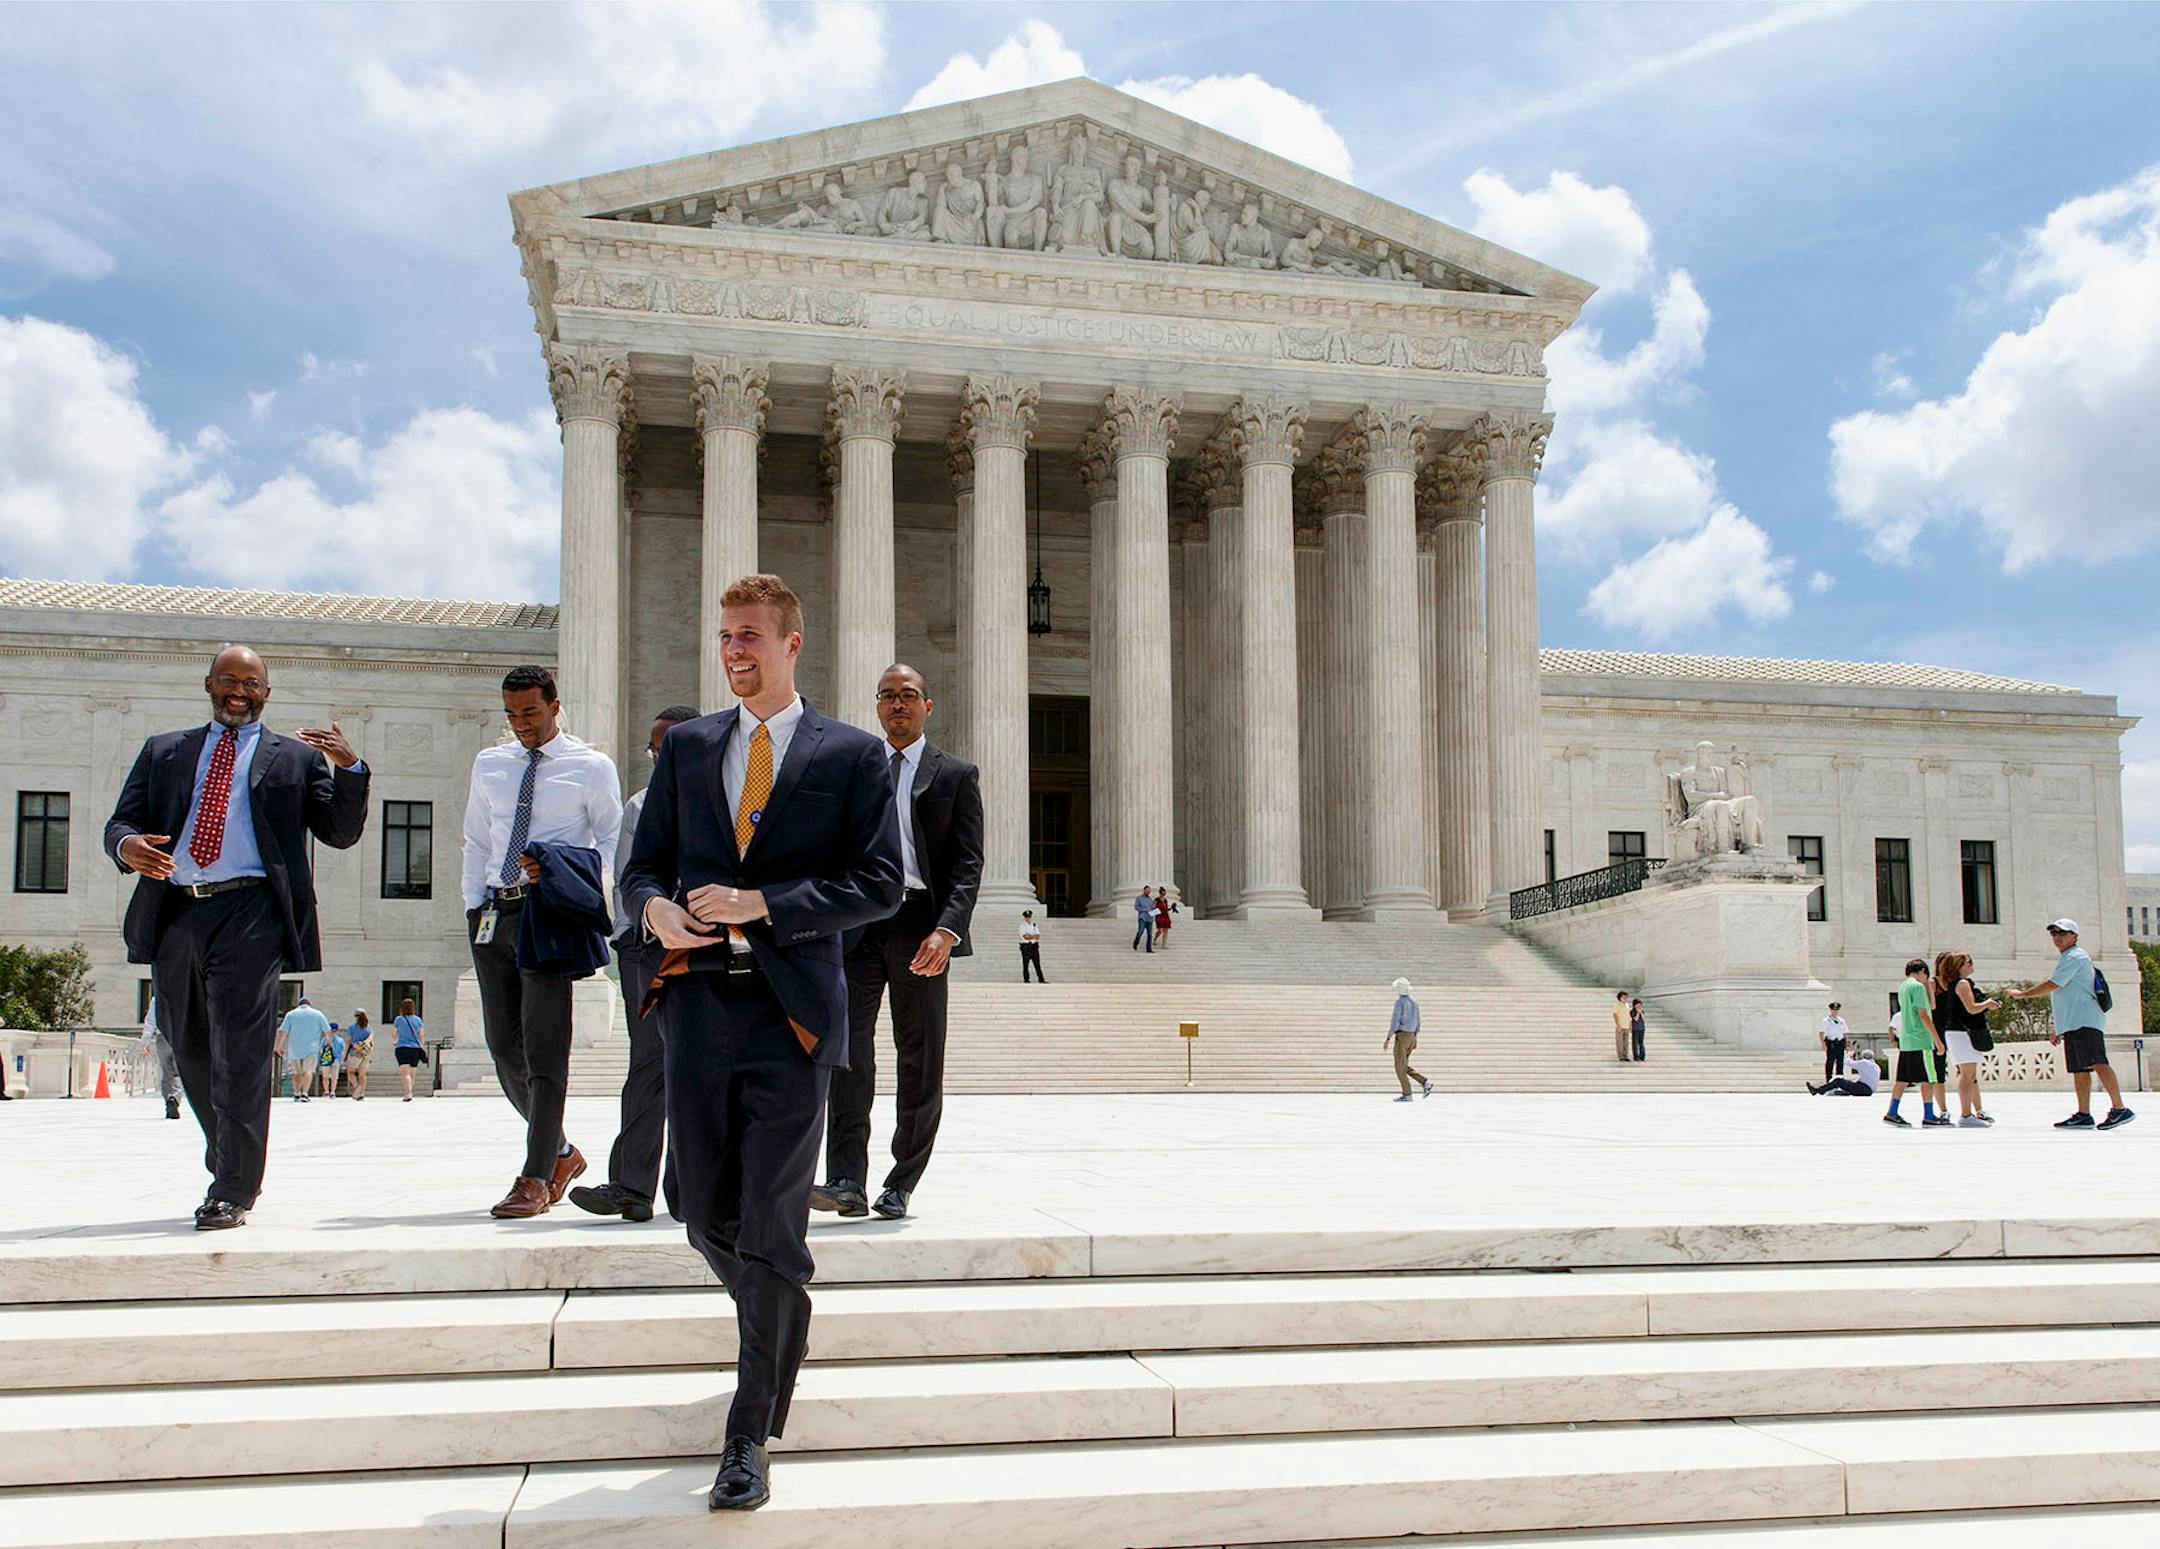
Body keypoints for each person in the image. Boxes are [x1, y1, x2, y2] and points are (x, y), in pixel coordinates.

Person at [618, 572, 903, 1513]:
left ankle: (746, 1437)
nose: (734, 651)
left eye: (750, 636)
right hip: (696, 1007)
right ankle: (782, 1308)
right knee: (698, 1205)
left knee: (773, 1219)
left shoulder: (853, 756)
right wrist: (654, 907)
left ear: (792, 641)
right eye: (725, 638)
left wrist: (764, 904)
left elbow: (879, 884)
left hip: (792, 1013)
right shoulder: (692, 746)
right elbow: (643, 864)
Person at [104, 644, 370, 1230]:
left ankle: (233, 1186)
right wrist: (127, 847)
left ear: (266, 693)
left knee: (243, 1049)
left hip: (253, 911)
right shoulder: (165, 751)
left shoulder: (295, 759)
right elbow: (121, 821)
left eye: (250, 683)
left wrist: (350, 771)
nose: (238, 691)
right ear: (209, 684)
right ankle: (229, 1151)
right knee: (187, 1040)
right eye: (228, 680)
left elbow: (339, 832)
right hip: (177, 909)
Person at [815, 664, 983, 1224]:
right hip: (859, 924)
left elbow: (966, 864)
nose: (897, 705)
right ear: (877, 706)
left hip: (921, 928)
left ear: (927, 705)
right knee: (847, 1054)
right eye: (887, 696)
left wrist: (948, 927)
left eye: (908, 695)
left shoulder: (955, 775)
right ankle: (845, 1179)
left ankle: (901, 1181)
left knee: (920, 1057)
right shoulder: (856, 770)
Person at [460, 663, 623, 1219]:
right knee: (504, 1047)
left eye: (530, 712)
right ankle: (559, 1152)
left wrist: (562, 875)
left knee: (545, 1049)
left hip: (549, 914)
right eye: (512, 715)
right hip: (493, 913)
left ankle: (533, 1177)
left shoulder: (591, 767)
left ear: (555, 706)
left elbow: (611, 843)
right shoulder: (491, 764)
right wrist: (471, 904)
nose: (522, 724)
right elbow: (477, 838)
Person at [572, 704, 701, 1225]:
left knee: (699, 1070)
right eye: (654, 748)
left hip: (705, 950)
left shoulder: (729, 802)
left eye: (670, 745)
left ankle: (690, 1190)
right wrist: (633, 938)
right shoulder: (640, 805)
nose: (660, 756)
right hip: (647, 949)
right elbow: (627, 878)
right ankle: (631, 1187)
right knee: (648, 1064)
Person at [2006, 919, 2135, 1131]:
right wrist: (2060, 1028)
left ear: (2074, 936)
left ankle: (2120, 1108)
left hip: (2085, 1021)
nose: (2057, 937)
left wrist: (2023, 994)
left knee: (2098, 1062)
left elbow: (2053, 984)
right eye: (2054, 934)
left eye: (2062, 933)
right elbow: (2067, 996)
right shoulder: (2068, 957)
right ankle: (2084, 1114)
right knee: (2079, 1069)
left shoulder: (2075, 956)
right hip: (2074, 1023)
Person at [1933, 951, 1999, 1128]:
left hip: (1958, 1033)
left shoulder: (1958, 983)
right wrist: (1987, 1004)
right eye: (1968, 962)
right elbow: (1971, 1008)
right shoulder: (1962, 984)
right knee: (1967, 1074)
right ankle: (1966, 1114)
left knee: (1969, 1074)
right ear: (1959, 966)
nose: (1971, 965)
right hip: (1960, 1033)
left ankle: (1969, 1113)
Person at [1883, 959, 1949, 1128]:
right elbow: (1924, 1014)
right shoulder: (1918, 987)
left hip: (1906, 1041)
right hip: (1921, 1040)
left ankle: (1892, 1112)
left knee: (1902, 1079)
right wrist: (1938, 1041)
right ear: (1922, 971)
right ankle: (1928, 1115)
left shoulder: (1903, 986)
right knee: (1928, 1079)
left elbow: (1931, 1006)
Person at [276, 996, 331, 1102]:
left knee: (296, 1073)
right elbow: (327, 1030)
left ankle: (296, 1093)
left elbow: (283, 1032)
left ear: (299, 1005)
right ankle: (305, 1093)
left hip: (295, 1049)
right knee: (308, 1071)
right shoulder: (318, 1014)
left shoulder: (291, 1014)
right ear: (309, 1004)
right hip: (311, 1048)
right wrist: (328, 1041)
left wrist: (279, 1046)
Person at [1384, 977, 1430, 1101]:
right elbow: (1418, 1020)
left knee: (1399, 1067)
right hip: (1411, 1036)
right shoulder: (1414, 1002)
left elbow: (1395, 1020)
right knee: (1403, 1065)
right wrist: (1415, 1037)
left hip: (1402, 1036)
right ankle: (1424, 1082)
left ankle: (1407, 1094)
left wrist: (1389, 1036)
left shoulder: (1400, 1002)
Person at [141, 995, 183, 1120]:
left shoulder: (157, 999)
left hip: (162, 1037)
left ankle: (168, 1101)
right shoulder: (183, 995)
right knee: (180, 1072)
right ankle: (174, 1098)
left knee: (167, 1072)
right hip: (179, 1035)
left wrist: (146, 1040)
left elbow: (150, 1020)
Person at [391, 997, 427, 1101]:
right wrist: (422, 1046)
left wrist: (394, 1042)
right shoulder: (418, 1020)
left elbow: (394, 1034)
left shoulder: (399, 1019)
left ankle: (408, 1093)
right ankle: (411, 1091)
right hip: (415, 1048)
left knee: (405, 1073)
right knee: (413, 1071)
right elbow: (421, 1034)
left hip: (402, 1047)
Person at [1812, 1048, 1882, 1097]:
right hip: (1869, 1090)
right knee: (1849, 1083)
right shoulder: (1876, 1066)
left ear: (1863, 1056)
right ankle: (1845, 1091)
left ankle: (1819, 1090)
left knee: (1838, 1081)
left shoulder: (1864, 1062)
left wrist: (1847, 1055)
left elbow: (1848, 1063)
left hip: (1864, 1089)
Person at [345, 1009, 374, 1099]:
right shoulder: (368, 1028)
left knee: (350, 1072)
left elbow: (348, 1042)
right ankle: (361, 1093)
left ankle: (356, 1086)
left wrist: (345, 1054)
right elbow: (371, 1041)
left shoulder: (352, 1028)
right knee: (362, 1073)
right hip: (366, 1053)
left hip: (355, 1052)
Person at [1820, 1002, 1849, 1085]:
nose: (1835, 1011)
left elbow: (1845, 1033)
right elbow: (1821, 1033)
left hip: (1840, 1043)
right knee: (1830, 1063)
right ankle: (1829, 1081)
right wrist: (1823, 1044)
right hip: (1831, 1044)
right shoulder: (1826, 1020)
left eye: (1837, 1010)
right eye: (1833, 1010)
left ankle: (1840, 1081)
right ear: (1831, 1010)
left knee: (1840, 1063)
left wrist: (1846, 1044)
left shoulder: (1841, 1020)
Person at [1019, 909, 1045, 982]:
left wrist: (1030, 936)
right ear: (1025, 917)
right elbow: (1025, 937)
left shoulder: (1034, 925)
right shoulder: (1022, 926)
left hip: (1034, 946)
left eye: (1029, 917)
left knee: (1037, 964)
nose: (1028, 918)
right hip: (1026, 946)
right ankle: (1026, 979)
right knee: (1026, 964)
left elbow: (1038, 936)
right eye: (1027, 917)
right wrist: (1033, 936)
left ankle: (1041, 979)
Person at [1132, 885, 1155, 952]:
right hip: (1143, 918)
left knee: (1150, 935)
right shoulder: (1139, 898)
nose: (1148, 892)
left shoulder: (1151, 900)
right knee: (1140, 931)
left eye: (1149, 891)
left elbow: (1152, 909)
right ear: (1144, 890)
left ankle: (1149, 949)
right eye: (1147, 890)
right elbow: (1136, 907)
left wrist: (1153, 907)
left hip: (1150, 918)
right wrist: (1145, 909)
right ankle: (1136, 942)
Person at [1612, 990, 1631, 1063]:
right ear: (1620, 997)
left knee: (1626, 1042)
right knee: (1620, 1042)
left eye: (1626, 997)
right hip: (1620, 1026)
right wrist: (1618, 1025)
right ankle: (1621, 1056)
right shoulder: (1617, 1005)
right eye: (1624, 997)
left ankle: (1625, 1056)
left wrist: (1630, 1025)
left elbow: (1628, 1016)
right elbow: (1615, 1015)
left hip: (1626, 1026)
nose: (1625, 998)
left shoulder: (1627, 1005)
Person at [1629, 997, 1647, 1062]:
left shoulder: (1642, 1011)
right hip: (1635, 1029)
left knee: (1641, 1043)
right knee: (1635, 1043)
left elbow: (1644, 1020)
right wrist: (1638, 1012)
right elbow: (1635, 1019)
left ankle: (1642, 1056)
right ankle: (1636, 1057)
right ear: (1635, 1005)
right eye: (1638, 1005)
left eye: (1640, 1005)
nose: (1639, 1006)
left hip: (1642, 1029)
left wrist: (1641, 1012)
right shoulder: (1632, 1011)